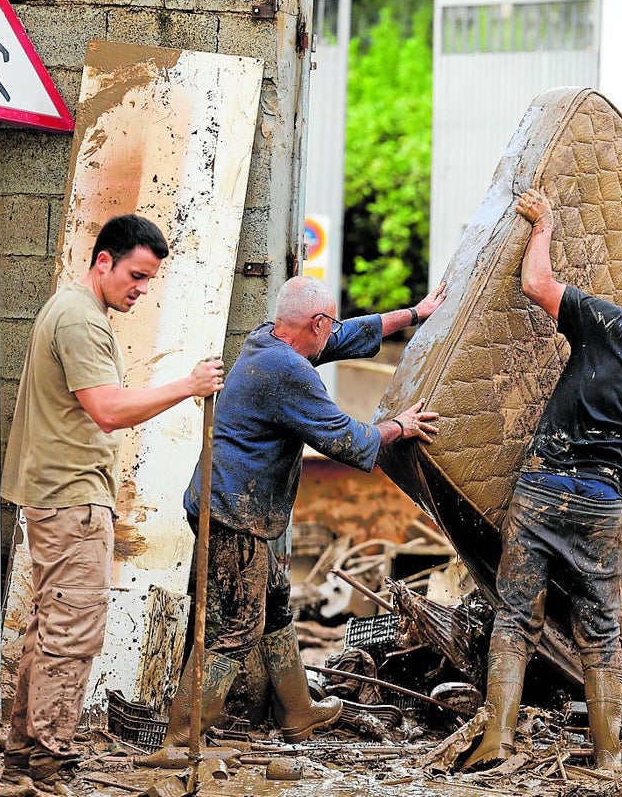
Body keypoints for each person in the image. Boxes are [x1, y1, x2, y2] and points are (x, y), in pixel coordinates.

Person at [466, 188, 622, 770]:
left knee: (515, 615)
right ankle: (607, 756)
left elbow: (536, 284)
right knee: (600, 631)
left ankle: (498, 739)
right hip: (603, 507)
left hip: (544, 489)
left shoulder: (609, 323)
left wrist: (544, 224)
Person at [163, 274, 447, 747]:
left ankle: (297, 711)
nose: (331, 334)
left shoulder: (267, 338)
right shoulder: (288, 372)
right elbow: (346, 439)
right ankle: (178, 742)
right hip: (234, 518)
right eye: (327, 325)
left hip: (239, 510)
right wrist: (400, 426)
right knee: (232, 632)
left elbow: (346, 333)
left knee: (273, 608)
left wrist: (414, 314)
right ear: (314, 322)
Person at [0, 215, 225, 795]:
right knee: (71, 635)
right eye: (137, 276)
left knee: (50, 629)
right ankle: (46, 768)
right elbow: (109, 409)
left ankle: (23, 763)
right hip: (71, 498)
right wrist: (188, 386)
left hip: (60, 493)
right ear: (104, 261)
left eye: (148, 280)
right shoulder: (78, 319)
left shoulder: (75, 309)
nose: (142, 289)